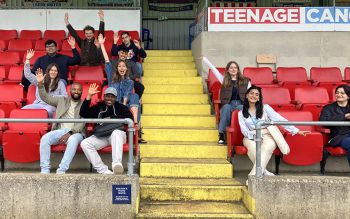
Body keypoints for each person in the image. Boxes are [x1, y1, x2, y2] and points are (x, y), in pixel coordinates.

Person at [238, 86, 309, 177]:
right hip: (250, 137)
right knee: (253, 150)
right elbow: (244, 130)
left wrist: (295, 130)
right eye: (251, 93)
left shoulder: (266, 108)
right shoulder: (241, 113)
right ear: (247, 96)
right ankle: (264, 172)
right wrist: (255, 136)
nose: (254, 96)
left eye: (257, 94)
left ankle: (252, 177)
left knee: (266, 149)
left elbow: (280, 119)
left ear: (259, 98)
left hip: (268, 135)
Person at [37, 71, 85, 174]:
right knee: (45, 139)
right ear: (70, 91)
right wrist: (40, 84)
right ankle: (45, 170)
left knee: (72, 140)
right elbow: (45, 98)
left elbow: (82, 124)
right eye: (74, 89)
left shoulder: (84, 105)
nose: (76, 91)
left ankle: (61, 170)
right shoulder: (62, 100)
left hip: (76, 133)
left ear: (82, 92)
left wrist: (70, 133)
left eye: (78, 90)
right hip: (60, 131)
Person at [79, 84, 134, 174]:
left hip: (118, 136)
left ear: (115, 98)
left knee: (116, 132)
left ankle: (116, 164)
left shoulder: (121, 107)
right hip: (102, 136)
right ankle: (103, 170)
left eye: (112, 97)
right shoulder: (98, 107)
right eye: (107, 96)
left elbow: (130, 119)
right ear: (104, 96)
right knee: (85, 143)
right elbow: (83, 113)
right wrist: (89, 96)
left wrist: (111, 119)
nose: (109, 99)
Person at [98, 34, 140, 124]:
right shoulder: (111, 76)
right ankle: (132, 122)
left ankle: (135, 123)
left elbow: (126, 96)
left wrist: (123, 108)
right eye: (119, 66)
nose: (121, 68)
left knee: (135, 96)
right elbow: (107, 60)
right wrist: (102, 44)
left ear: (126, 69)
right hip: (112, 104)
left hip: (124, 106)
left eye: (123, 66)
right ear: (117, 68)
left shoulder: (129, 82)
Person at [22, 49, 67, 118]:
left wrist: (52, 97)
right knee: (24, 109)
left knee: (46, 112)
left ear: (58, 73)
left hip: (51, 106)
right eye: (51, 70)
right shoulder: (40, 79)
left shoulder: (60, 83)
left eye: (55, 71)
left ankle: (45, 127)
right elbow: (27, 74)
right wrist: (27, 60)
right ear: (48, 71)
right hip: (38, 104)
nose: (53, 72)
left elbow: (65, 96)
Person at [217, 61, 251, 144]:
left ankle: (246, 134)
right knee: (226, 107)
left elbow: (251, 93)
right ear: (228, 70)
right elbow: (215, 71)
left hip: (240, 103)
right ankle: (221, 134)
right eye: (231, 68)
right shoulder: (224, 80)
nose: (233, 69)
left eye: (235, 67)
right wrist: (205, 59)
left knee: (242, 108)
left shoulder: (246, 81)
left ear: (238, 70)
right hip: (229, 104)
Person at [320, 84, 350, 168]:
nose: (339, 95)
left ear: (348, 96)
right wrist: (344, 116)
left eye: (342, 93)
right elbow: (323, 121)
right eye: (337, 93)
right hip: (338, 137)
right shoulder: (328, 108)